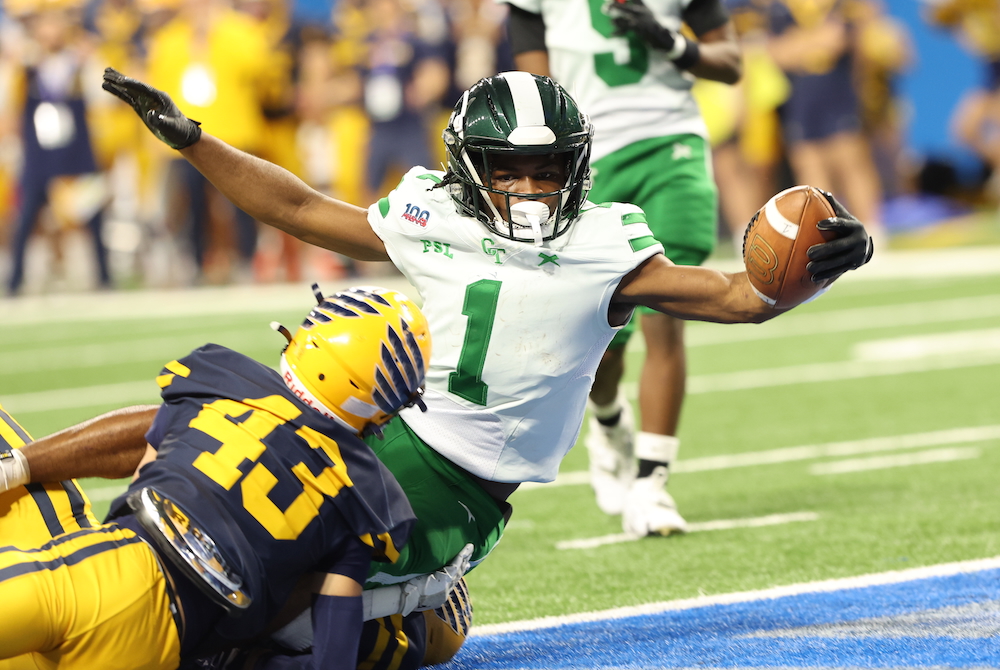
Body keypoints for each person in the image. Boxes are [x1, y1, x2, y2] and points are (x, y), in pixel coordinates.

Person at [97, 65, 870, 606]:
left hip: (454, 487)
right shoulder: (431, 211)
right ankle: (23, 470)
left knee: (244, 575)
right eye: (509, 168)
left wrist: (825, 261)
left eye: (548, 170)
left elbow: (742, 298)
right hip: (370, 432)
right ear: (469, 168)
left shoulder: (609, 244)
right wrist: (194, 141)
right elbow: (298, 209)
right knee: (206, 418)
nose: (531, 190)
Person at [0, 284, 436, 670]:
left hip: (102, 571)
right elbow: (334, 651)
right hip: (158, 647)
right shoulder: (368, 500)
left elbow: (144, 479)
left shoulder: (221, 379)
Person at [502, 0, 742, 536]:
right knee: (602, 333)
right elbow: (531, 88)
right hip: (589, 158)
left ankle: (652, 483)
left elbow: (732, 62)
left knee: (669, 305)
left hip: (671, 140)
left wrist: (672, 42)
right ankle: (609, 417)